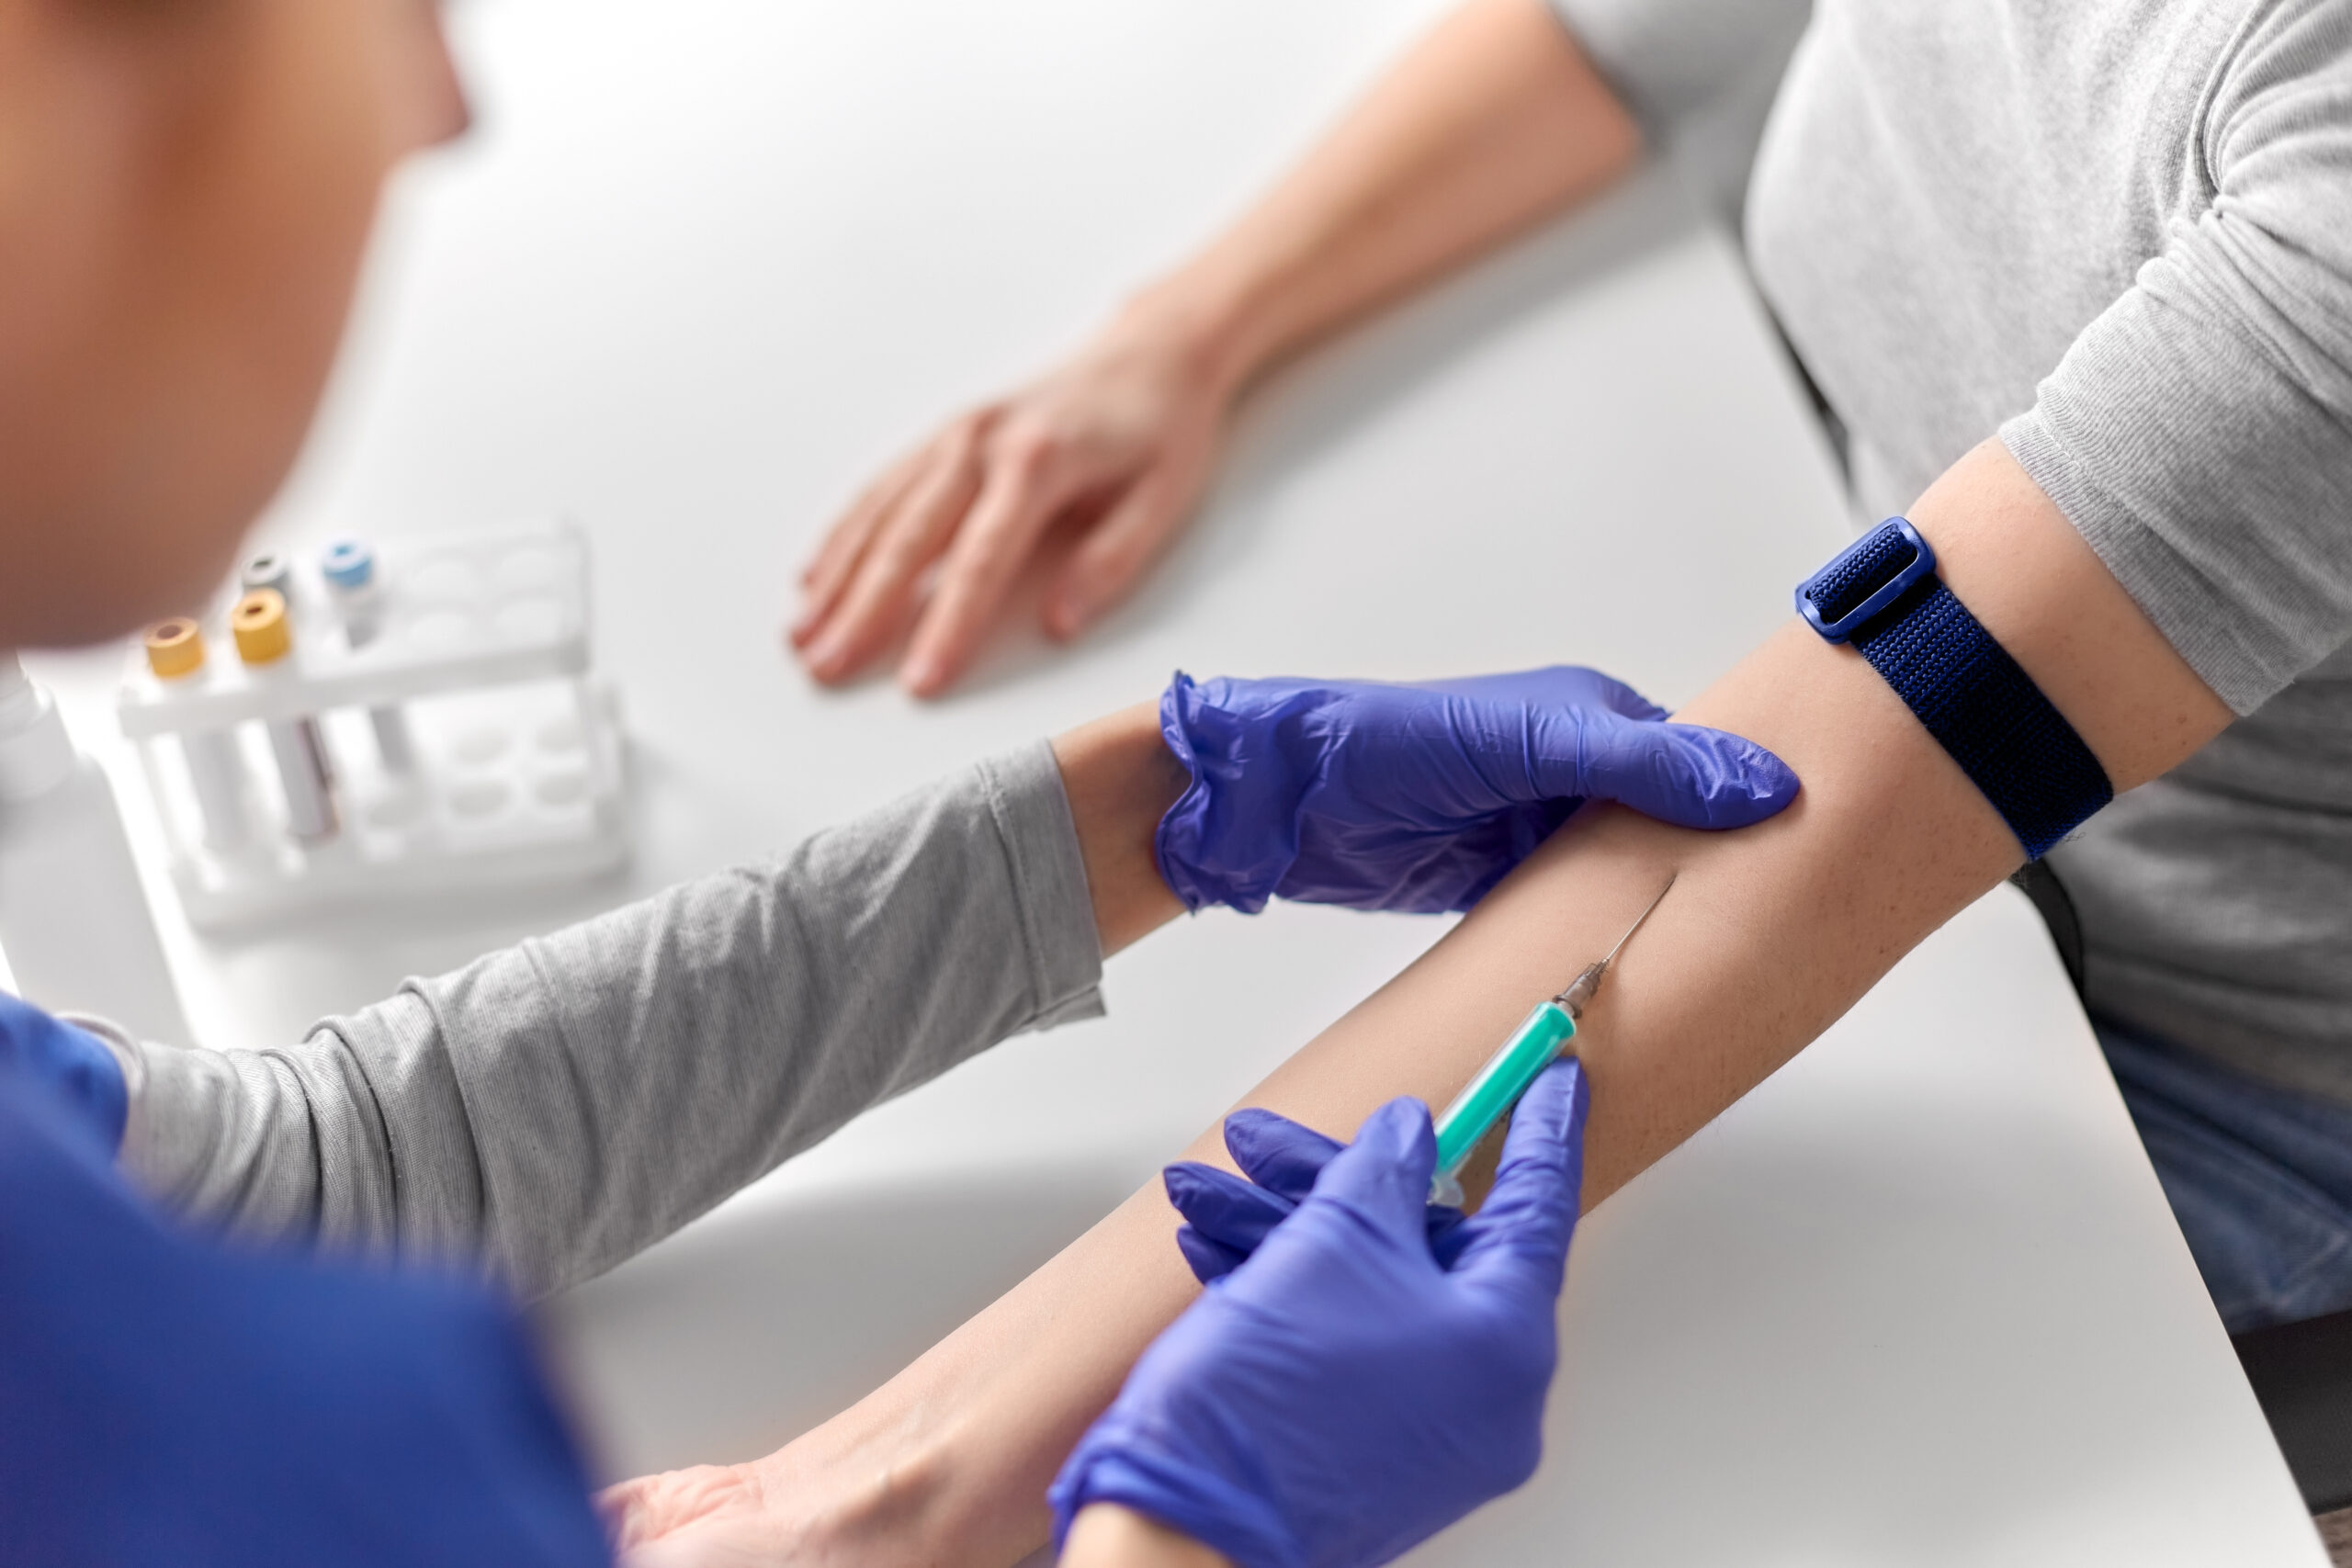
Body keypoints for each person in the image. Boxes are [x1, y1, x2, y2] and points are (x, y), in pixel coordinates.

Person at [0, 0, 1804, 1562]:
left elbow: (287, 1183)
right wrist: (1176, 1535)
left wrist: (1139, 814)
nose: (444, 101)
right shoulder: (255, 1455)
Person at [605, 0, 2350, 1561]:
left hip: (2178, 1044)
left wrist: (896, 1489)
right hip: (1821, 588)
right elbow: (1625, 32)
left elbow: (1795, 812)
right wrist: (1188, 333)